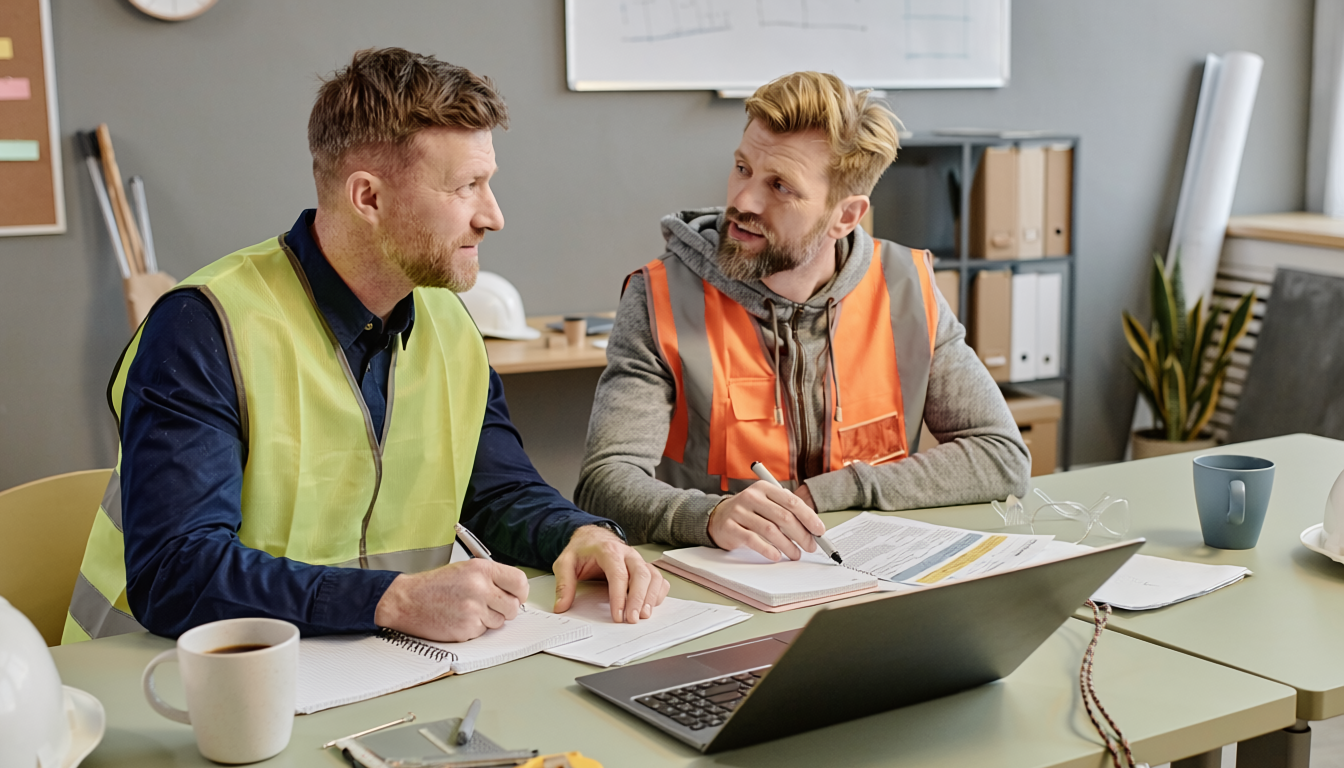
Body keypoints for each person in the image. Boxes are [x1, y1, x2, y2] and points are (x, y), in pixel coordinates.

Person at [65, 48, 668, 644]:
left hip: (365, 668)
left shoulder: (449, 324)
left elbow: (500, 492)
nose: (493, 216)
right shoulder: (204, 326)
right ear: (368, 198)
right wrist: (392, 599)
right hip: (164, 686)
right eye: (467, 186)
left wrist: (580, 535)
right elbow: (177, 573)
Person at [575, 72, 1030, 562]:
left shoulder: (906, 289)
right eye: (742, 169)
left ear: (846, 216)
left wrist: (827, 495)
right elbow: (604, 480)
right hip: (719, 583)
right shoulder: (661, 296)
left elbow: (1001, 456)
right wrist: (709, 516)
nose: (742, 201)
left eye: (780, 187)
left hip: (869, 577)